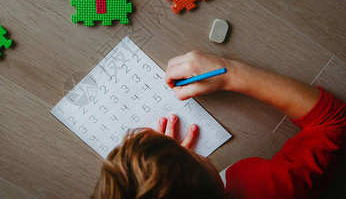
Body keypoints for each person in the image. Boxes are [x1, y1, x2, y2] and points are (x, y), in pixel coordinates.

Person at [91, 51, 345, 199]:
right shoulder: (261, 188)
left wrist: (170, 169)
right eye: (195, 157)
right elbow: (334, 121)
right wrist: (232, 73)